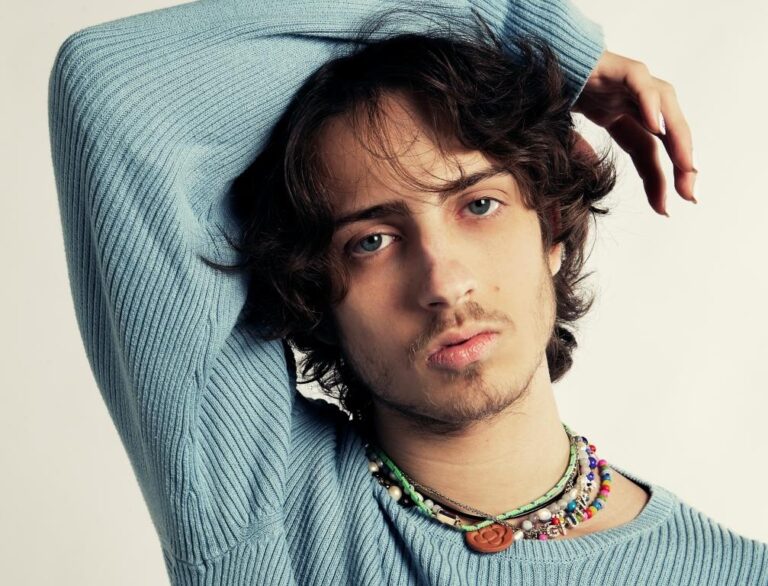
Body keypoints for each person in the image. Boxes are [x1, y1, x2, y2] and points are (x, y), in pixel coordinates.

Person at [48, 0, 765, 584]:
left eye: (479, 205)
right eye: (372, 241)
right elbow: (109, 84)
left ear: (551, 227)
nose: (444, 284)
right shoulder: (263, 512)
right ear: (316, 291)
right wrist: (515, 23)